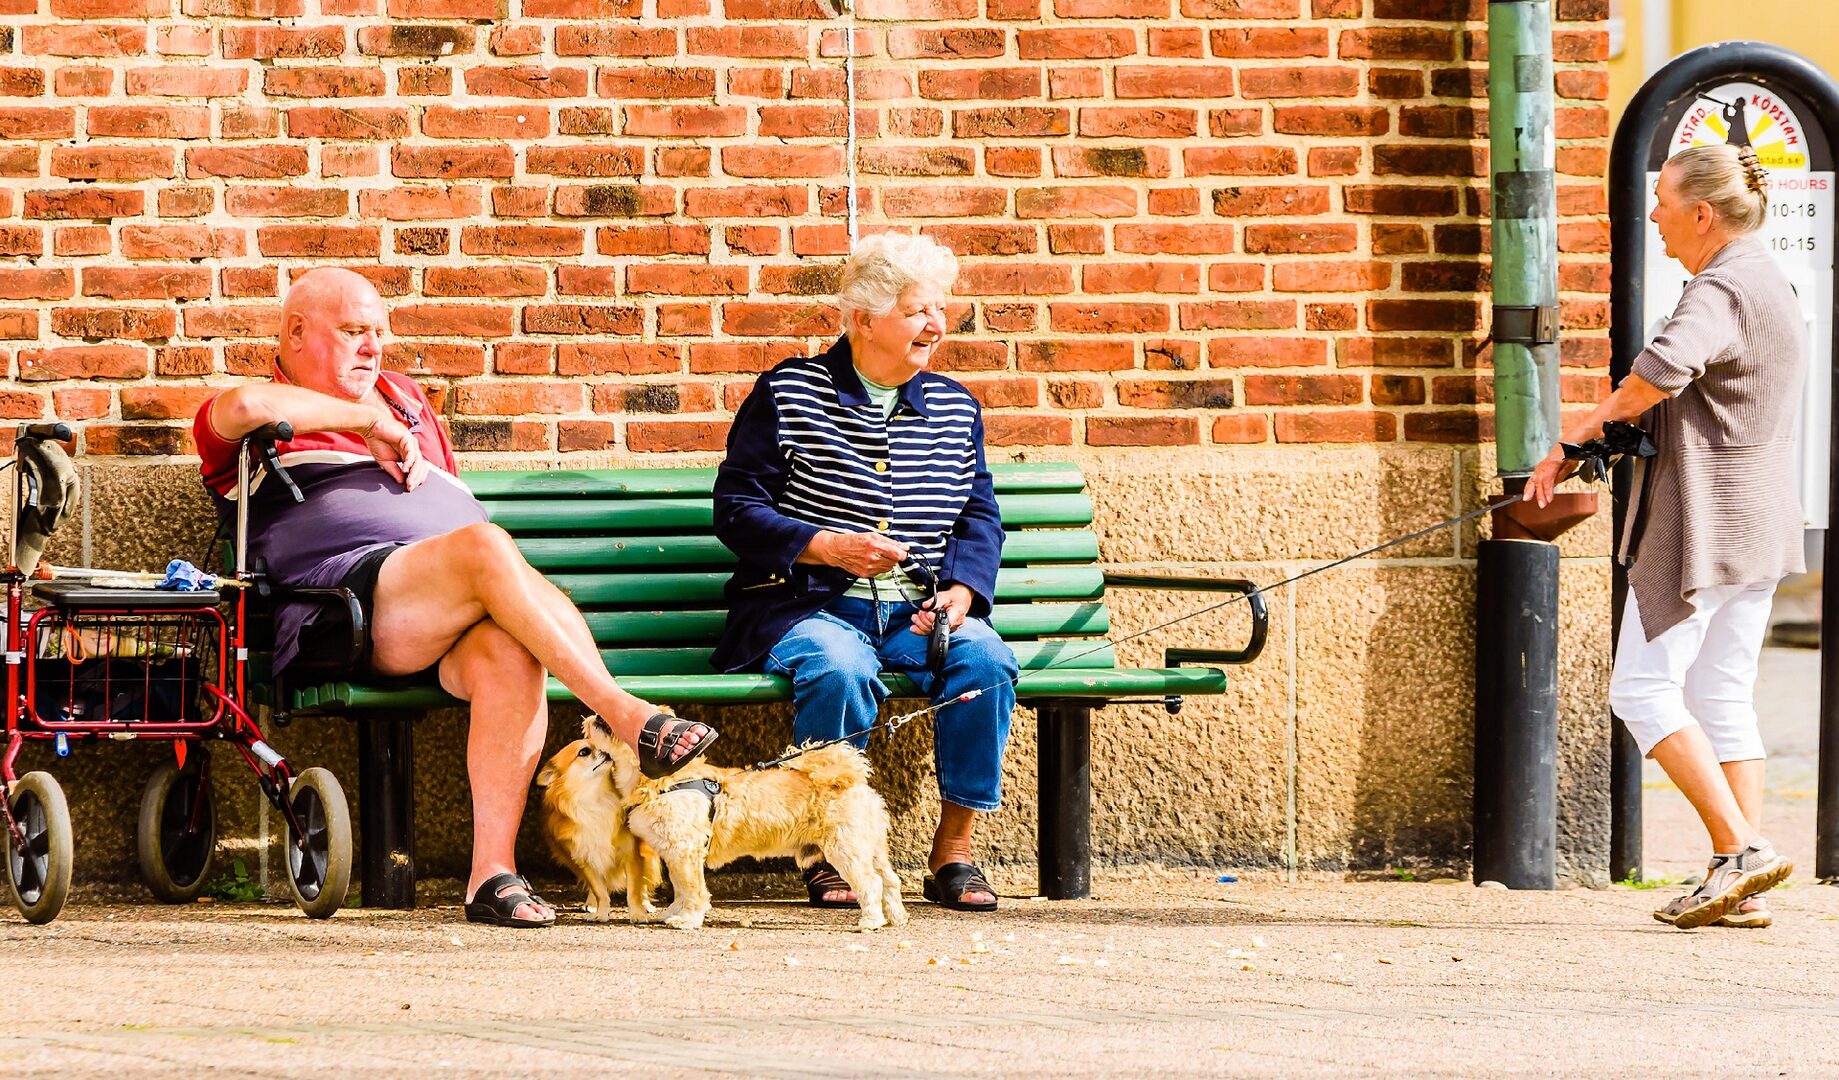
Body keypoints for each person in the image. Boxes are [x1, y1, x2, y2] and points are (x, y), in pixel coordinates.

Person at [193, 267, 717, 928]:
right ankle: (625, 716)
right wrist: (371, 424)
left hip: (445, 601)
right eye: (352, 331)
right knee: (485, 546)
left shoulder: (407, 398)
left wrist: (392, 418)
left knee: (509, 650)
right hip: (342, 607)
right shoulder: (258, 412)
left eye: (378, 332)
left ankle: (491, 875)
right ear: (296, 332)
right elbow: (243, 408)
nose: (372, 347)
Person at [1529, 144, 1801, 929]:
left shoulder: (1719, 285)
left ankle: (1740, 848)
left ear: (1702, 214)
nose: (1654, 216)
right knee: (1721, 695)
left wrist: (1571, 442)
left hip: (1703, 522)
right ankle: (1738, 882)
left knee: (1640, 690)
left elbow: (1658, 372)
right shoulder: (1767, 279)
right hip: (1757, 521)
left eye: (1664, 202)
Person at [712, 233, 1018, 912]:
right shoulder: (789, 391)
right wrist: (823, 546)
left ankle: (954, 852)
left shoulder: (955, 407)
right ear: (863, 320)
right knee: (839, 667)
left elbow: (978, 514)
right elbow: (736, 509)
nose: (936, 325)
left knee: (987, 661)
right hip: (807, 607)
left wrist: (962, 591)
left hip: (916, 614)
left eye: (939, 309)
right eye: (916, 311)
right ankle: (826, 851)